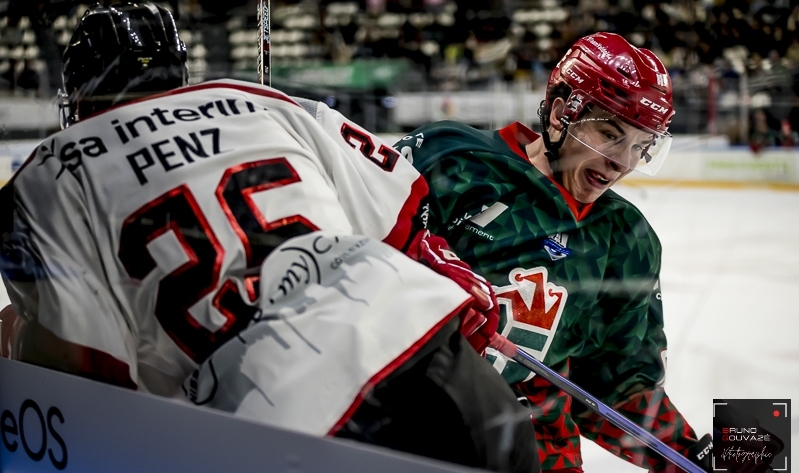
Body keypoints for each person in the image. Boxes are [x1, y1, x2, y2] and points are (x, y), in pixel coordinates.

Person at [0, 3, 539, 472]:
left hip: (291, 420)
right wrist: (457, 282)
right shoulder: (260, 101)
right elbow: (404, 211)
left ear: (79, 93)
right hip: (433, 349)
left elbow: (95, 388)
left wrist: (19, 342)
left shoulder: (45, 180)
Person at [397, 32, 713, 472]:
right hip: (408, 422)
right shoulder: (454, 160)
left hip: (533, 446)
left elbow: (617, 382)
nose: (623, 162)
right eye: (610, 134)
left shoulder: (625, 238)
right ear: (565, 112)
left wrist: (694, 455)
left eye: (640, 147)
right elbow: (353, 246)